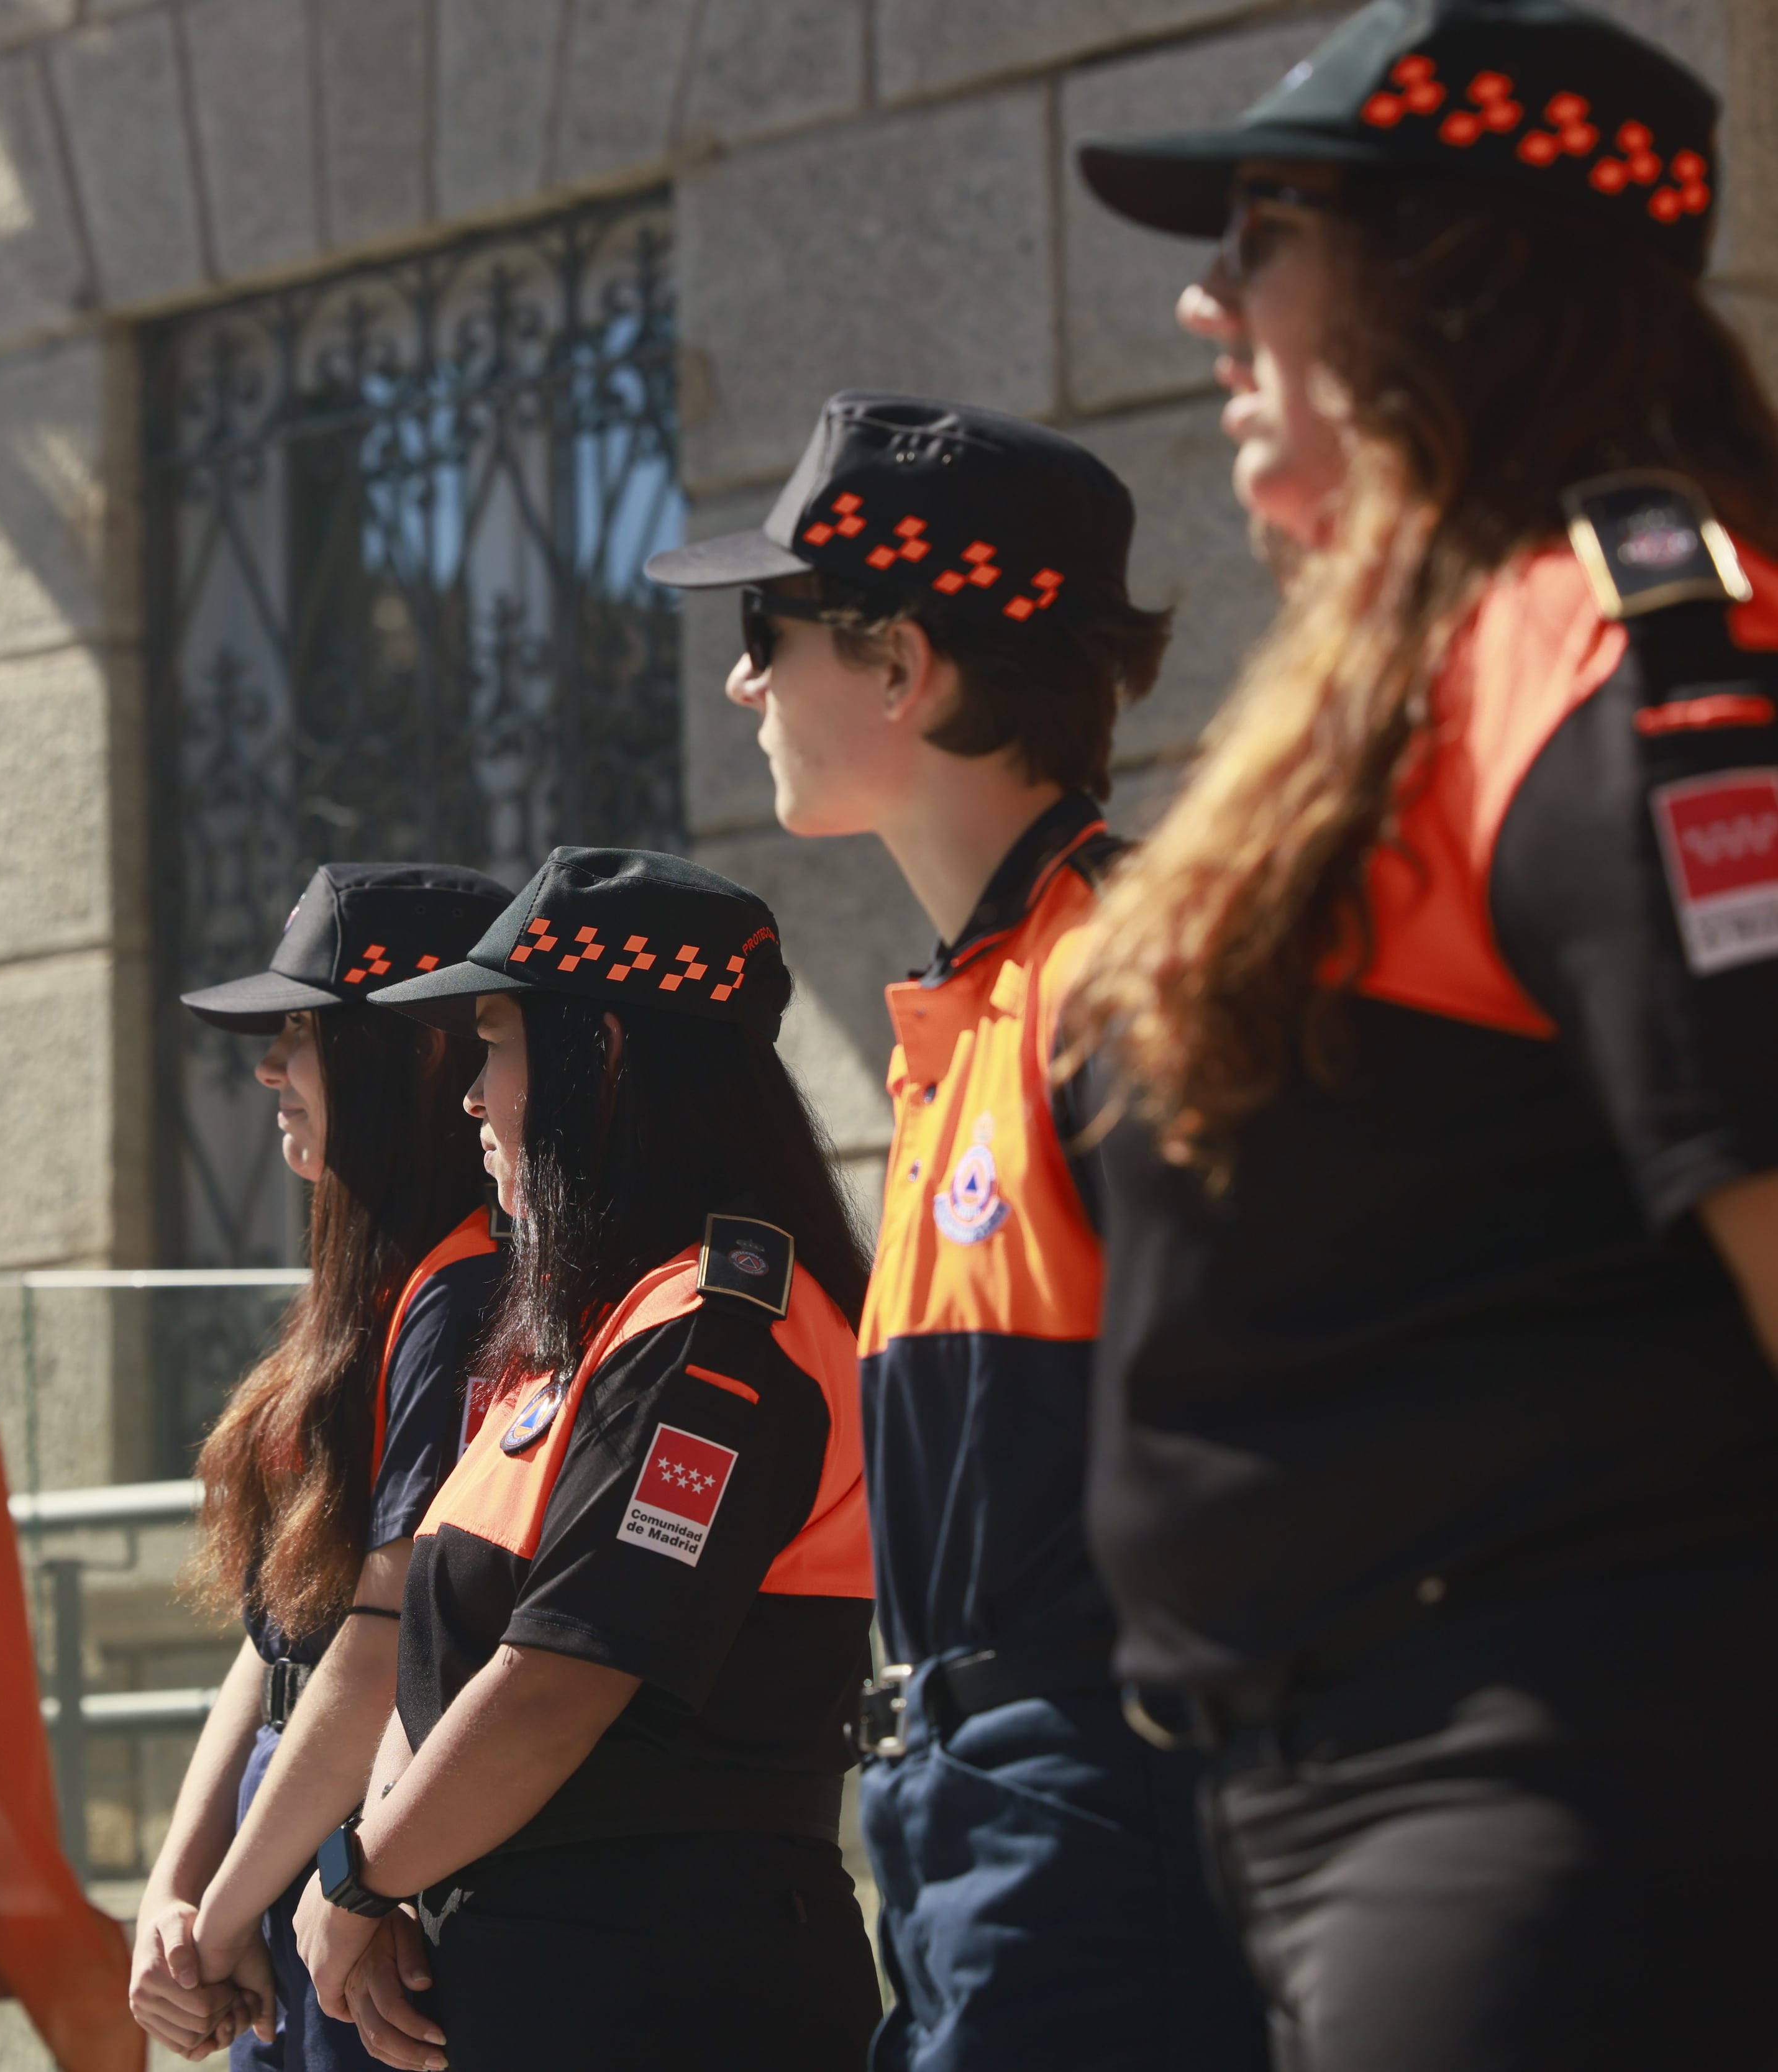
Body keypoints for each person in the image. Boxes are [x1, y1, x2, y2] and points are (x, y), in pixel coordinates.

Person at [1067, 2, 1778, 2062]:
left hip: (1549, 1785)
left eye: (1267, 226)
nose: (1207, 297)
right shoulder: (1450, 652)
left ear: (1457, 266)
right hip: (1346, 1791)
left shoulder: (1633, 634)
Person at [644, 396, 1269, 2069]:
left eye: (767, 634)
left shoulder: (1114, 988)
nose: (742, 682)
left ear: (905, 665)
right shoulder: (978, 1011)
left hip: (1099, 1843)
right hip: (976, 1832)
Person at [291, 849, 882, 2072]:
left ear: (599, 1055)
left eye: (495, 1047)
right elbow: (437, 1661)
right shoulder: (581, 1337)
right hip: (539, 1977)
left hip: (675, 1984)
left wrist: (356, 1875)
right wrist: (386, 1863)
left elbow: (561, 1678)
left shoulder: (718, 1335)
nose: (470, 1100)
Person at [130, 862, 513, 2066]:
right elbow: (280, 1637)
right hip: (285, 1847)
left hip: (365, 1871)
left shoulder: (469, 1292)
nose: (267, 1072)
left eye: (302, 1035)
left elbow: (380, 1643)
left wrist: (226, 1912)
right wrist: (177, 1892)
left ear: (415, 1058)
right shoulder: (377, 1284)